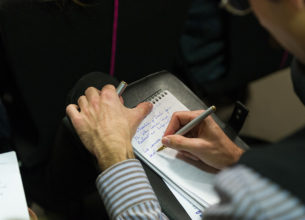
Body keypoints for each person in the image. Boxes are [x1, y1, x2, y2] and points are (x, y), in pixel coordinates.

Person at [66, 0, 305, 219]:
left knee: (91, 87)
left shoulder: (264, 195)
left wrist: (114, 153)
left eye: (241, 3)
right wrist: (235, 158)